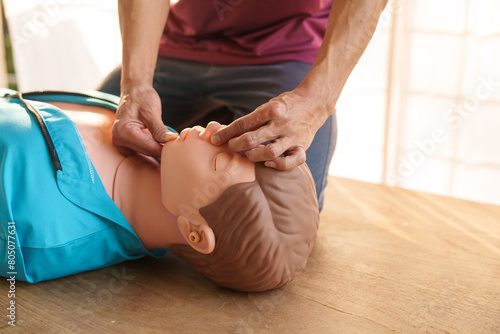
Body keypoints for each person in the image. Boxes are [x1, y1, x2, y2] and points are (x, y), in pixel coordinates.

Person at [0, 89, 318, 292]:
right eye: (238, 140)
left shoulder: (30, 233)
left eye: (221, 160)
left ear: (195, 231)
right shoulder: (150, 131)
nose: (216, 129)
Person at [97, 0, 389, 211]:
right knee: (80, 151)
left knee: (284, 211)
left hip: (287, 47)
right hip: (182, 41)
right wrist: (135, 85)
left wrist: (316, 101)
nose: (210, 131)